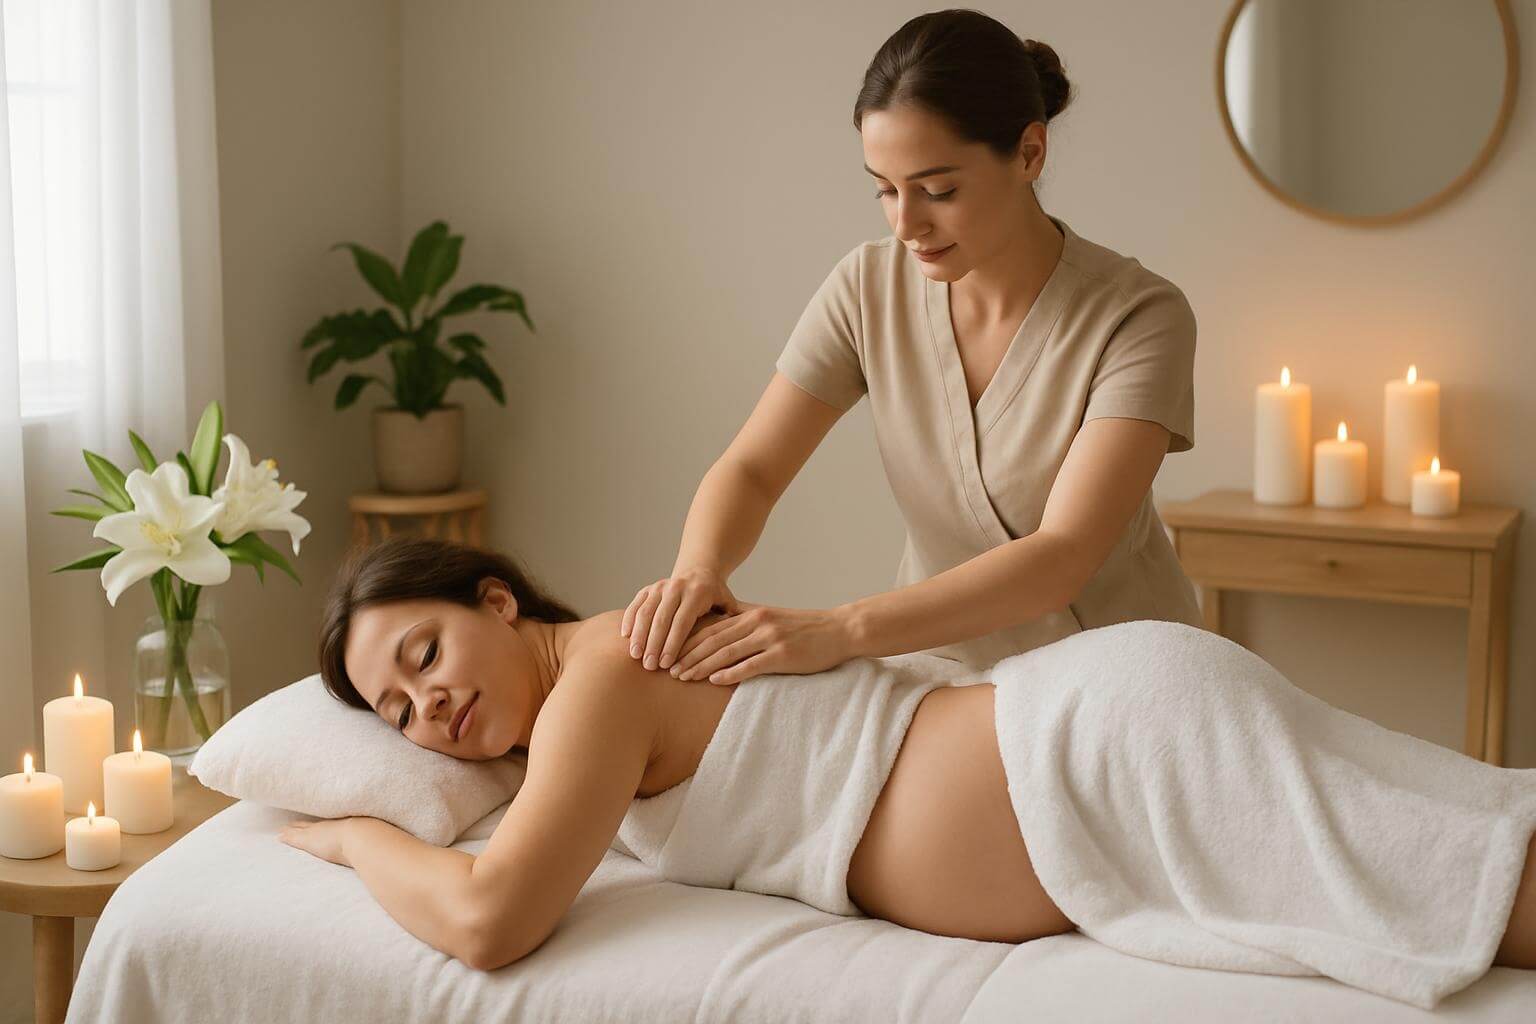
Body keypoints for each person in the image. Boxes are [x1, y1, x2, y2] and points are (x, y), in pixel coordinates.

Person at [282, 536, 1536, 1006]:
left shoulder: (604, 677)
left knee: (1467, 884)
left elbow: (490, 918)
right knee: (1459, 841)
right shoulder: (578, 710)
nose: (428, 705)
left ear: (496, 598)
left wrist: (351, 838)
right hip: (1093, 751)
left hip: (1100, 751)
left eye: (426, 651)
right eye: (397, 710)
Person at [620, 11, 1207, 687]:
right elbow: (753, 468)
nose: (906, 224)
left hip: (1127, 677)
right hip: (943, 678)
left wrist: (838, 631)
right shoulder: (867, 288)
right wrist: (699, 568)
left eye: (937, 190)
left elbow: (1062, 556)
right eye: (884, 189)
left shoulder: (1140, 316)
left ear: (1030, 153)